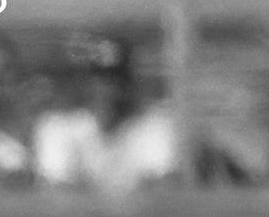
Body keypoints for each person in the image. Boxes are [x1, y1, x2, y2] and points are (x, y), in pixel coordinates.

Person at [32, 36, 180, 197]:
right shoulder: (58, 128)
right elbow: (57, 196)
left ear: (131, 84)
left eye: (116, 80)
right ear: (84, 83)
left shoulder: (155, 127)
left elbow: (163, 192)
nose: (107, 90)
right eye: (99, 80)